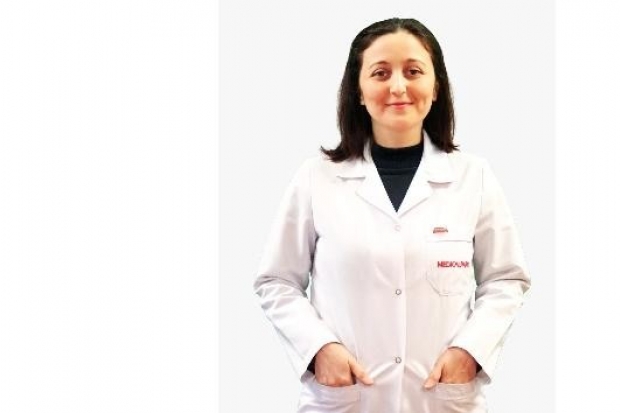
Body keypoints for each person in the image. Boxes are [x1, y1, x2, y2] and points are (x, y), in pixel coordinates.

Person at [253, 17, 530, 413]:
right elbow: (276, 281)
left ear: (436, 86)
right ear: (358, 91)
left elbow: (505, 279)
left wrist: (470, 351)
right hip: (347, 399)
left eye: (413, 71)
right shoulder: (316, 178)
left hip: (440, 398)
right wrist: (318, 349)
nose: (398, 86)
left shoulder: (474, 177)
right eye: (380, 73)